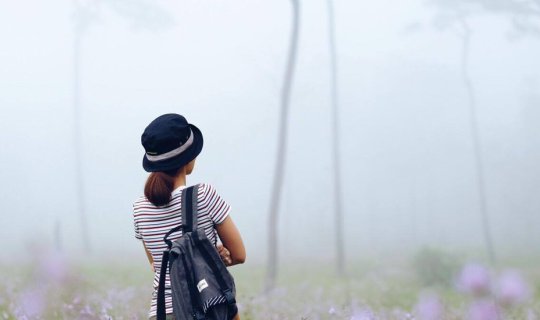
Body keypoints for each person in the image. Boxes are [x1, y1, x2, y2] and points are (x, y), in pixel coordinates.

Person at [132, 113, 246, 320]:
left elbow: (157, 265)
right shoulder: (204, 195)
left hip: (162, 312)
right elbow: (239, 255)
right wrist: (210, 257)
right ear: (188, 158)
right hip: (208, 306)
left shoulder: (139, 209)